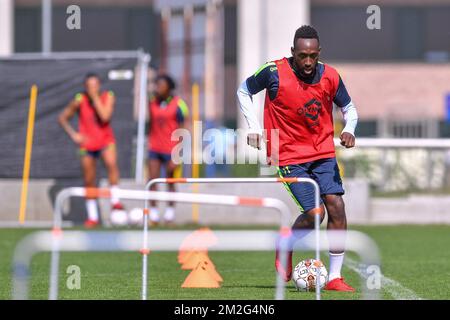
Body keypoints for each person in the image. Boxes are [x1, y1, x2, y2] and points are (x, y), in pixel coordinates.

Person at [237, 25, 358, 291]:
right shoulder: (272, 72)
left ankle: (335, 278)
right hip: (288, 154)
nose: (308, 61)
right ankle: (286, 244)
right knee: (316, 213)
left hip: (323, 153)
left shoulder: (331, 76)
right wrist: (255, 128)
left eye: (313, 56)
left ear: (319, 53)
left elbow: (348, 108)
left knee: (336, 208)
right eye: (302, 55)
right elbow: (243, 91)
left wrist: (349, 129)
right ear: (293, 52)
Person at [58, 73, 125, 228]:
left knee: (111, 164)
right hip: (87, 145)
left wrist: (95, 99)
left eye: (94, 85)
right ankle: (93, 216)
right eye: (89, 86)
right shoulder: (79, 99)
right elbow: (62, 118)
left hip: (105, 141)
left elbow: (105, 116)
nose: (92, 89)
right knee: (89, 179)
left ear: (99, 85)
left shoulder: (108, 96)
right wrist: (74, 135)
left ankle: (115, 202)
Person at [147, 74, 189, 225]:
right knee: (152, 180)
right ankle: (153, 215)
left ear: (169, 88)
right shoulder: (152, 102)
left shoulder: (179, 104)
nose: (158, 88)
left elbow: (184, 129)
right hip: (154, 147)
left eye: (161, 86)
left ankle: (170, 215)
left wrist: (179, 153)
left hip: (171, 149)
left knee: (170, 181)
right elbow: (150, 124)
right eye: (156, 85)